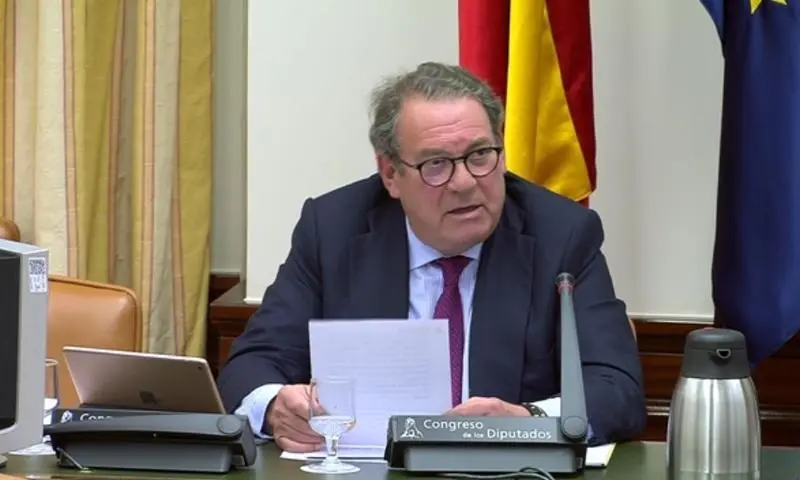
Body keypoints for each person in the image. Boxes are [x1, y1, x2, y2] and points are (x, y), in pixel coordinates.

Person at [216, 62, 647, 453]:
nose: (464, 182)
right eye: (436, 164)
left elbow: (616, 389)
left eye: (480, 155)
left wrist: (528, 421)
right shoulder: (333, 230)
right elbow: (253, 364)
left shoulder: (562, 235)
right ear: (391, 174)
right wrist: (275, 407)